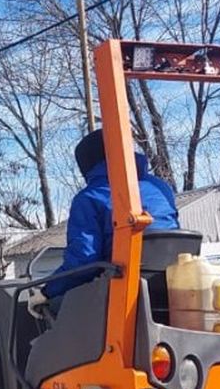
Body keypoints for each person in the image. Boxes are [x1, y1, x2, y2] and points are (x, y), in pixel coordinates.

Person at [43, 127, 180, 300]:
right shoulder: (160, 188)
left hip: (119, 295)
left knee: (50, 309)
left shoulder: (89, 198)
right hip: (172, 291)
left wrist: (47, 291)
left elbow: (85, 259)